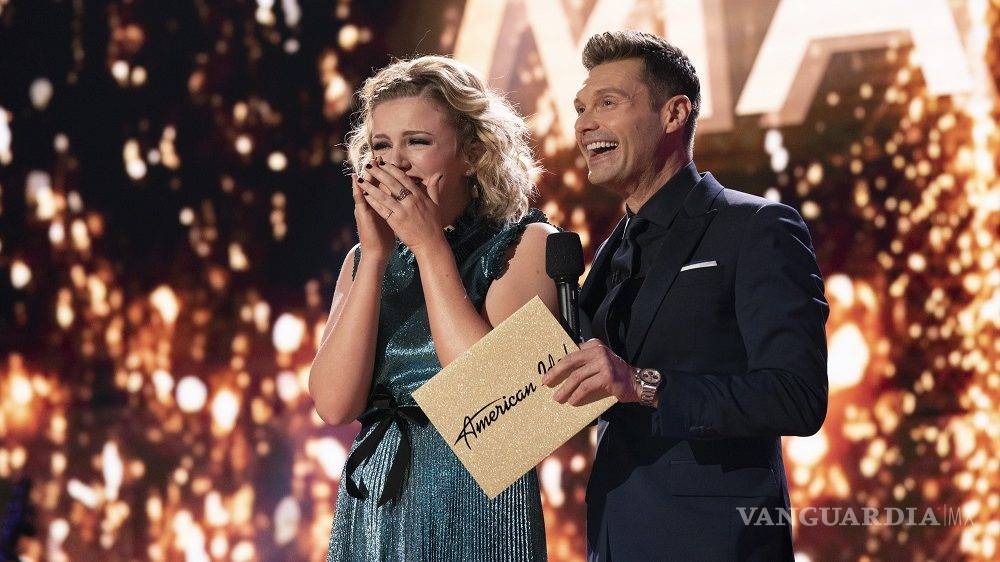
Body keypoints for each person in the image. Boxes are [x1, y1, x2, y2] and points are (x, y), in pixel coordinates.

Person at [540, 31, 829, 560]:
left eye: (607, 103)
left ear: (673, 114)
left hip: (717, 542)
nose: (584, 124)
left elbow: (796, 397)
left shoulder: (756, 227)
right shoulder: (609, 252)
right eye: (580, 108)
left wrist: (643, 384)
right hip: (615, 538)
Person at [309, 55, 557, 561]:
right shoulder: (363, 260)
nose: (395, 163)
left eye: (417, 142)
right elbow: (334, 405)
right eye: (381, 145)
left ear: (472, 153)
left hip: (478, 509)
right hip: (375, 507)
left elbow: (499, 411)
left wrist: (428, 248)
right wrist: (374, 258)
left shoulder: (528, 245)